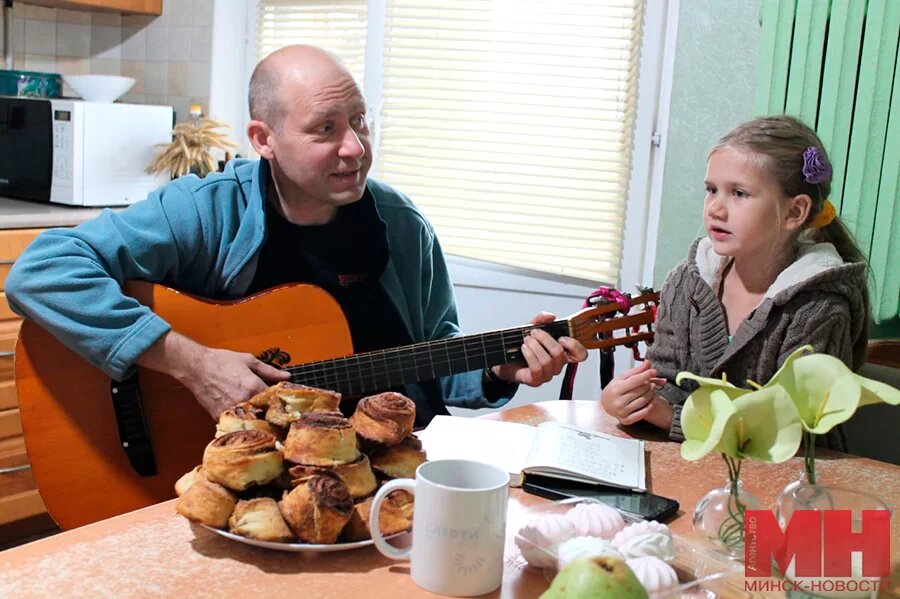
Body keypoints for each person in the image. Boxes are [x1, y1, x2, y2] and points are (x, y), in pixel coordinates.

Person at [6, 45, 587, 425]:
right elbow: (43, 269)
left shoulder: (403, 228)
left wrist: (496, 369)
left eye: (359, 120)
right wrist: (191, 362)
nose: (356, 148)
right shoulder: (205, 212)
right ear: (264, 139)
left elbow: (434, 352)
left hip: (381, 471)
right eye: (325, 129)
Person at [601, 115, 869, 447]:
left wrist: (675, 418)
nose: (716, 208)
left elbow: (794, 434)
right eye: (712, 189)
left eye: (739, 193)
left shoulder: (820, 310)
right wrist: (630, 400)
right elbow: (663, 381)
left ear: (794, 213)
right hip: (692, 470)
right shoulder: (686, 282)